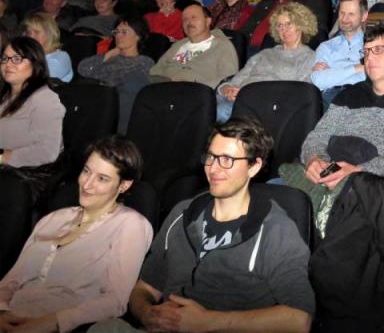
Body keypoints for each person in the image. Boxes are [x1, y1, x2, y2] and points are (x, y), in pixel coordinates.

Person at [104, 117, 314, 332]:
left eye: (227, 159)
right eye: (211, 157)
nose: (213, 168)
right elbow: (145, 288)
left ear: (254, 167)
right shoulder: (182, 214)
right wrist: (147, 313)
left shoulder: (275, 229)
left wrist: (208, 322)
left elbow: (300, 319)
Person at [282, 27, 384, 234]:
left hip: (375, 183)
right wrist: (314, 159)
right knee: (276, 195)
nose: (370, 57)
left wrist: (358, 171)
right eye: (366, 52)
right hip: (329, 172)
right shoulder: (348, 95)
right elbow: (318, 136)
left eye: (378, 50)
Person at [0, 137, 153, 333]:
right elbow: (12, 280)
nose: (87, 184)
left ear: (124, 185)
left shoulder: (130, 225)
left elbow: (115, 300)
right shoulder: (53, 219)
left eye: (102, 178)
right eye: (86, 171)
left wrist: (53, 322)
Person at [216, 2, 318, 122]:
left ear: (301, 25)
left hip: (265, 106)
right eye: (279, 25)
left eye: (288, 24)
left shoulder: (309, 57)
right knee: (204, 103)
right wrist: (227, 89)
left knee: (218, 112)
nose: (284, 29)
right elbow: (236, 80)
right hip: (238, 98)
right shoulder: (265, 54)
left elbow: (298, 93)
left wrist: (248, 94)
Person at [77, 17, 155, 132]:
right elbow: (82, 69)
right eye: (116, 32)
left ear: (138, 36)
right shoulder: (108, 58)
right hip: (95, 104)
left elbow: (125, 85)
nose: (118, 35)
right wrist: (110, 53)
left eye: (124, 32)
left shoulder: (144, 61)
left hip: (115, 107)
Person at [0, 37, 65, 169]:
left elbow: (47, 152)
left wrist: (2, 157)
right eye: (4, 58)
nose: (8, 64)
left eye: (17, 59)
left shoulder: (45, 99)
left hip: (20, 173)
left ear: (35, 63)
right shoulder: (7, 95)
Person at [149, 4, 239, 89]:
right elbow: (155, 71)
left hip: (194, 91)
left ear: (207, 21)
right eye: (185, 19)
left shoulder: (222, 45)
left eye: (193, 17)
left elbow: (227, 80)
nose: (189, 22)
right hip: (162, 88)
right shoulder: (178, 45)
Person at [311, 0, 367, 108]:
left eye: (351, 14)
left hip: (363, 97)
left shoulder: (373, 45)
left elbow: (373, 76)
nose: (345, 19)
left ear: (364, 16)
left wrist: (332, 72)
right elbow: (318, 81)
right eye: (342, 13)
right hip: (331, 99)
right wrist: (357, 68)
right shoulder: (326, 46)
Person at [22, 12, 73, 83]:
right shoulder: (30, 54)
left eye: (36, 32)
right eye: (28, 33)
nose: (31, 37)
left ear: (49, 33)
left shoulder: (57, 59)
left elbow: (39, 86)